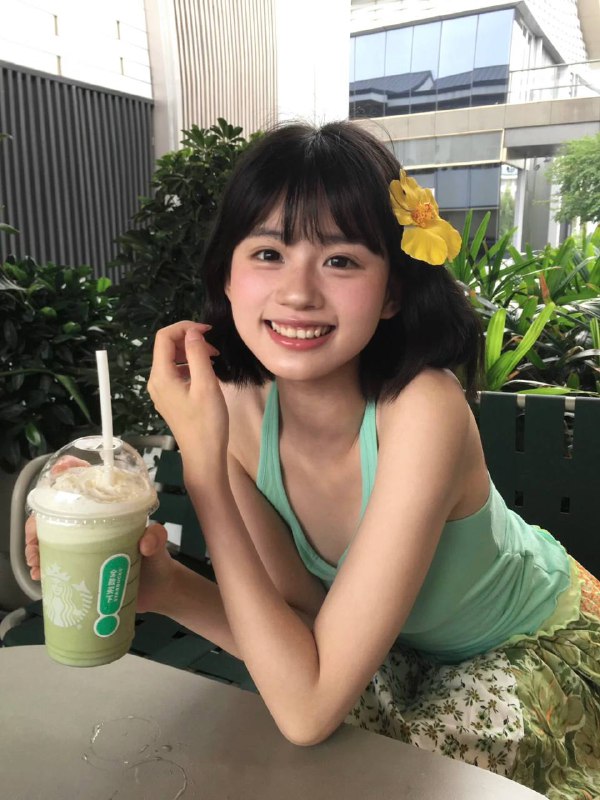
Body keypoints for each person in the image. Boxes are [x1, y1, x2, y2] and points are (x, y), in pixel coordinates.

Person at [26, 121, 600, 798]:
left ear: (392, 292)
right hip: (397, 654)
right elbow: (300, 640)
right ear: (227, 276)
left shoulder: (422, 410)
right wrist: (170, 589)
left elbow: (307, 710)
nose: (298, 292)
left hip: (533, 643)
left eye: (341, 260)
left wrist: (204, 469)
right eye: (268, 253)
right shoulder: (234, 412)